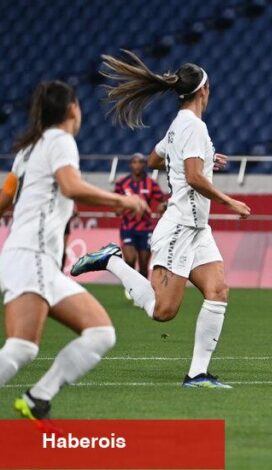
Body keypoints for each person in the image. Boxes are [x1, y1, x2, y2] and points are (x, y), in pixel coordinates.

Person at [71, 50, 251, 388]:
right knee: (163, 312)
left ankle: (197, 375)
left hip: (197, 228)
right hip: (180, 227)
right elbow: (195, 178)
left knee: (218, 290)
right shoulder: (193, 126)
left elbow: (155, 159)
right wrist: (229, 201)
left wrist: (207, 159)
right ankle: (112, 261)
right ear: (204, 89)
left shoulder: (179, 127)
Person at [0, 80, 147, 419]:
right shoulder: (61, 140)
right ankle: (38, 398)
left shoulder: (29, 149)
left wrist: (57, 208)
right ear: (71, 109)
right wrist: (121, 199)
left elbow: (7, 195)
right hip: (32, 256)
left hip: (33, 260)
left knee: (100, 333)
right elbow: (69, 185)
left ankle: (38, 399)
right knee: (22, 348)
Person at [114, 152, 167, 279]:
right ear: (130, 165)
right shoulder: (122, 183)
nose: (137, 165)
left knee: (144, 265)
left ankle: (141, 293)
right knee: (130, 259)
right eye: (134, 162)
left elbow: (163, 201)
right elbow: (116, 205)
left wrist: (163, 206)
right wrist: (122, 209)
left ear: (145, 165)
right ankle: (131, 285)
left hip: (146, 228)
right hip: (128, 228)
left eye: (140, 162)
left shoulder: (151, 183)